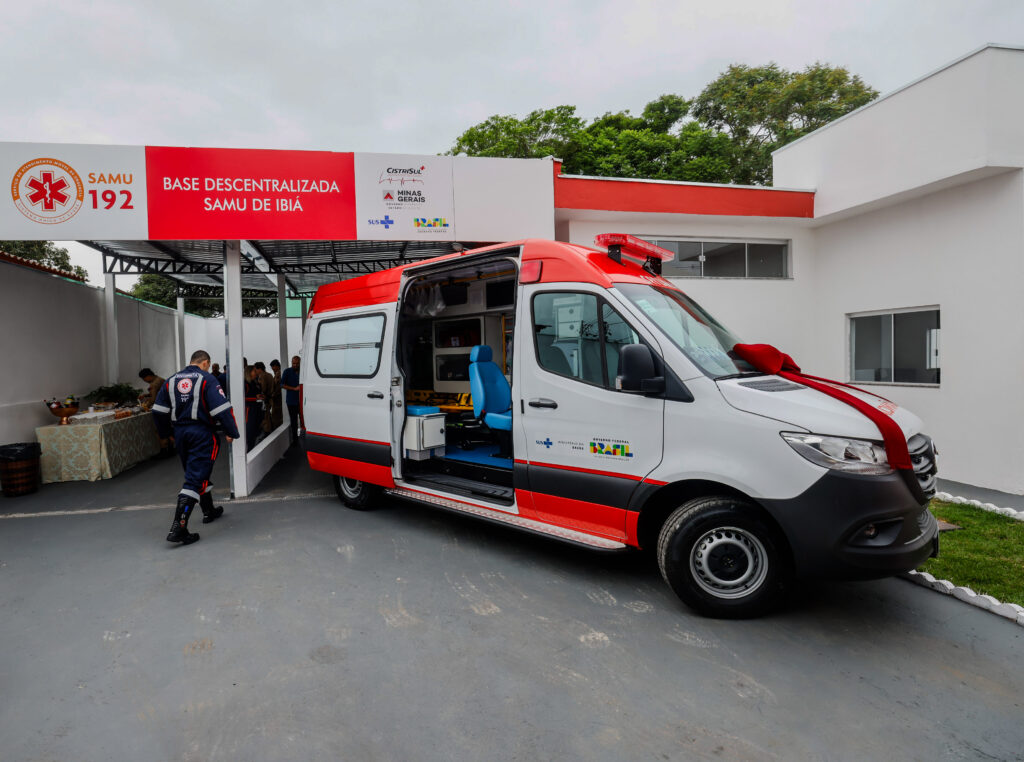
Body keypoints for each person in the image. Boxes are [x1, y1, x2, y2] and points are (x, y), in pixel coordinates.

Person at [151, 349, 239, 546]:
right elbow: (222, 409)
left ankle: (209, 510)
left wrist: (167, 434)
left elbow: (158, 411)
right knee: (194, 479)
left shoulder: (171, 380)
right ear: (206, 362)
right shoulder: (207, 379)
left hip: (181, 434)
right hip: (202, 434)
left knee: (197, 473)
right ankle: (178, 528)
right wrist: (231, 432)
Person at [280, 355, 302, 446]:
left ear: (300, 363)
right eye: (293, 363)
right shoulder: (287, 371)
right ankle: (295, 441)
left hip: (302, 402)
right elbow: (282, 384)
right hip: (291, 401)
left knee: (303, 420)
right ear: (291, 362)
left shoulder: (303, 371)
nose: (295, 365)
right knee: (293, 421)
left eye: (297, 363)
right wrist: (294, 389)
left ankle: (304, 439)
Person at [244, 365, 264, 451]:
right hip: (249, 411)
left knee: (255, 431)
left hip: (256, 410)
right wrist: (255, 398)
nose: (256, 373)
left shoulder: (254, 382)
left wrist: (259, 396)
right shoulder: (245, 383)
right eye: (254, 371)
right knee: (250, 433)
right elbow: (242, 398)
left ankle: (252, 451)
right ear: (249, 372)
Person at [268, 360, 284, 432]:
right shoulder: (279, 373)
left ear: (276, 366)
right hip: (279, 399)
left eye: (273, 367)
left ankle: (277, 431)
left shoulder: (278, 374)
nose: (272, 369)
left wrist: (272, 395)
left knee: (276, 417)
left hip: (278, 400)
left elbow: (278, 387)